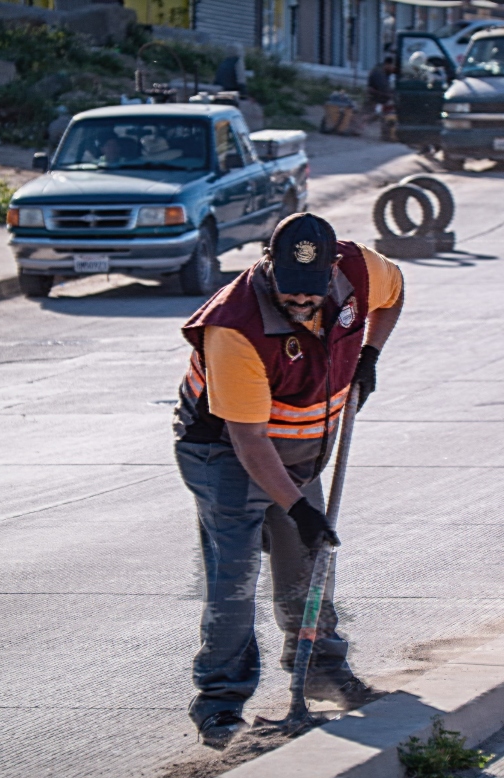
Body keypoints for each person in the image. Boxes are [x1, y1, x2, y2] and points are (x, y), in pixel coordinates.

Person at [172, 213, 405, 750]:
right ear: (269, 265)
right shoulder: (235, 327)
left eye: (311, 290)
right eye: (289, 288)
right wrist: (299, 510)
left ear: (333, 270)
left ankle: (320, 670)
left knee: (306, 562)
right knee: (236, 575)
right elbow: (250, 443)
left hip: (297, 450)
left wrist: (369, 354)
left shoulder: (361, 270)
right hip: (223, 451)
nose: (300, 300)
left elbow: (396, 295)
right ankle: (219, 704)